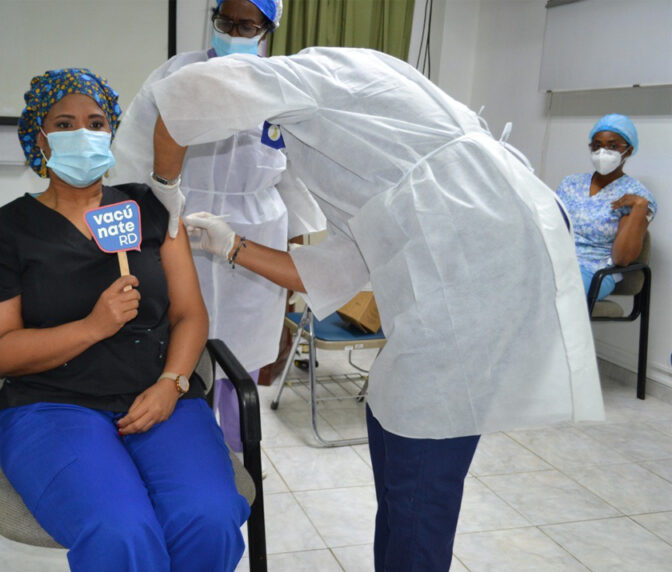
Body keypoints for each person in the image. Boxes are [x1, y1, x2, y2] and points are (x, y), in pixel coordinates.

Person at [146, 47, 605, 571]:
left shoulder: (322, 72)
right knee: (394, 419)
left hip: (481, 253)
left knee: (423, 460)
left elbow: (187, 93)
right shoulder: (341, 149)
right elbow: (334, 269)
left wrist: (165, 189)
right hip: (462, 252)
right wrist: (233, 246)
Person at [0, 68, 249, 572]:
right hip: (51, 408)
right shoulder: (5, 231)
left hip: (161, 399)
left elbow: (189, 315)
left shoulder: (151, 208)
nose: (84, 134)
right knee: (121, 531)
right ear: (41, 139)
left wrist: (172, 382)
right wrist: (94, 326)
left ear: (111, 132)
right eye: (65, 123)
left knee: (210, 517)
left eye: (96, 123)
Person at [109, 0, 325, 453]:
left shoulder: (285, 86)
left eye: (246, 24)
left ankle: (238, 447)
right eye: (225, 20)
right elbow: (134, 151)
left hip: (259, 230)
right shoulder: (178, 75)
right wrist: (147, 217)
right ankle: (186, 444)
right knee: (181, 337)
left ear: (269, 28)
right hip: (186, 219)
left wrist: (298, 252)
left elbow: (299, 175)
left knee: (245, 349)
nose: (232, 30)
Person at [555, 114, 656, 301]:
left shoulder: (637, 196)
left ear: (629, 150)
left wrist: (640, 207)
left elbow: (622, 259)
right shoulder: (570, 183)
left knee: (555, 298)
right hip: (555, 262)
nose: (603, 151)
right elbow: (551, 228)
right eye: (597, 145)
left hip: (595, 272)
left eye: (613, 146)